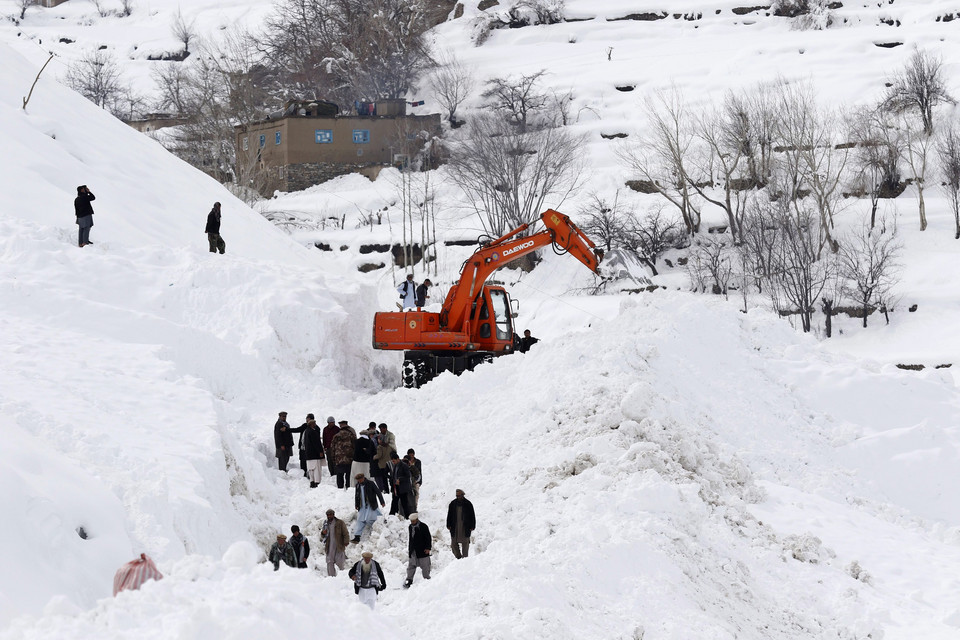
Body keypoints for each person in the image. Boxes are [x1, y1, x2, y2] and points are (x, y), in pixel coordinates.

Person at [351, 473, 385, 543]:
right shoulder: (358, 485)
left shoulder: (371, 483)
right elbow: (356, 496)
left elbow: (378, 492)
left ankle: (379, 526)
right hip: (362, 506)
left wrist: (382, 501)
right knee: (360, 520)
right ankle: (357, 537)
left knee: (372, 517)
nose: (359, 481)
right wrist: (356, 504)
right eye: (358, 480)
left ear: (363, 478)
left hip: (370, 504)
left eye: (360, 479)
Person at [446, 489, 477, 559]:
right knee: (453, 544)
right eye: (457, 496)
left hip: (465, 527)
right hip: (455, 526)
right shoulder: (453, 504)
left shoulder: (468, 504)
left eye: (459, 495)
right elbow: (449, 515)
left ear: (463, 495)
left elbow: (472, 515)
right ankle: (459, 558)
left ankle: (465, 559)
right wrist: (448, 524)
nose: (458, 497)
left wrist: (472, 526)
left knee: (465, 544)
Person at [403, 513, 432, 588]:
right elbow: (411, 539)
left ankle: (427, 580)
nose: (412, 522)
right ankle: (409, 580)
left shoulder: (423, 526)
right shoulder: (410, 527)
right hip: (413, 550)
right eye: (411, 521)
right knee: (411, 566)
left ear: (417, 519)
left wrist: (428, 548)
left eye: (413, 521)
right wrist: (410, 550)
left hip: (422, 550)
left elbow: (428, 537)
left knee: (425, 566)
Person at [320, 509, 350, 577]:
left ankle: (343, 576)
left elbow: (345, 533)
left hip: (338, 545)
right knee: (329, 562)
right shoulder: (325, 523)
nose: (329, 516)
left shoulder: (340, 522)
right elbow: (322, 535)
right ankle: (331, 578)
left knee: (340, 562)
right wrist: (322, 533)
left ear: (333, 515)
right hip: (329, 546)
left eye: (331, 514)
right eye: (328, 515)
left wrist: (346, 541)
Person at [331, 420, 357, 490]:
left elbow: (332, 448)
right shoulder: (351, 435)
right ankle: (348, 487)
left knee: (339, 474)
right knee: (348, 474)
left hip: (339, 458)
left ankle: (340, 488)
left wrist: (333, 458)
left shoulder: (336, 436)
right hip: (349, 458)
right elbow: (355, 446)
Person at [373, 423, 396, 493]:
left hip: (390, 456)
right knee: (384, 476)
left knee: (392, 475)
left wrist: (381, 443)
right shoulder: (380, 435)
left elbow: (389, 445)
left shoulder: (391, 435)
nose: (381, 431)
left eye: (382, 429)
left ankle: (393, 489)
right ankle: (386, 490)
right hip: (383, 459)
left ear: (385, 428)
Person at [302, 416, 325, 487]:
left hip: (308, 455)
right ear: (312, 424)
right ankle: (317, 482)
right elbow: (316, 443)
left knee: (311, 470)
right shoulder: (313, 432)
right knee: (316, 470)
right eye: (314, 423)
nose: (315, 424)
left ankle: (312, 482)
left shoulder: (306, 431)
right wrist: (320, 451)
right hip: (315, 455)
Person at [391, 451, 414, 519]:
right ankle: (391, 515)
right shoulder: (395, 466)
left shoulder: (404, 465)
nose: (393, 462)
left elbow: (408, 476)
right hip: (396, 487)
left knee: (404, 503)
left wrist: (400, 480)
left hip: (403, 488)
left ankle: (407, 517)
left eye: (394, 461)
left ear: (398, 459)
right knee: (394, 501)